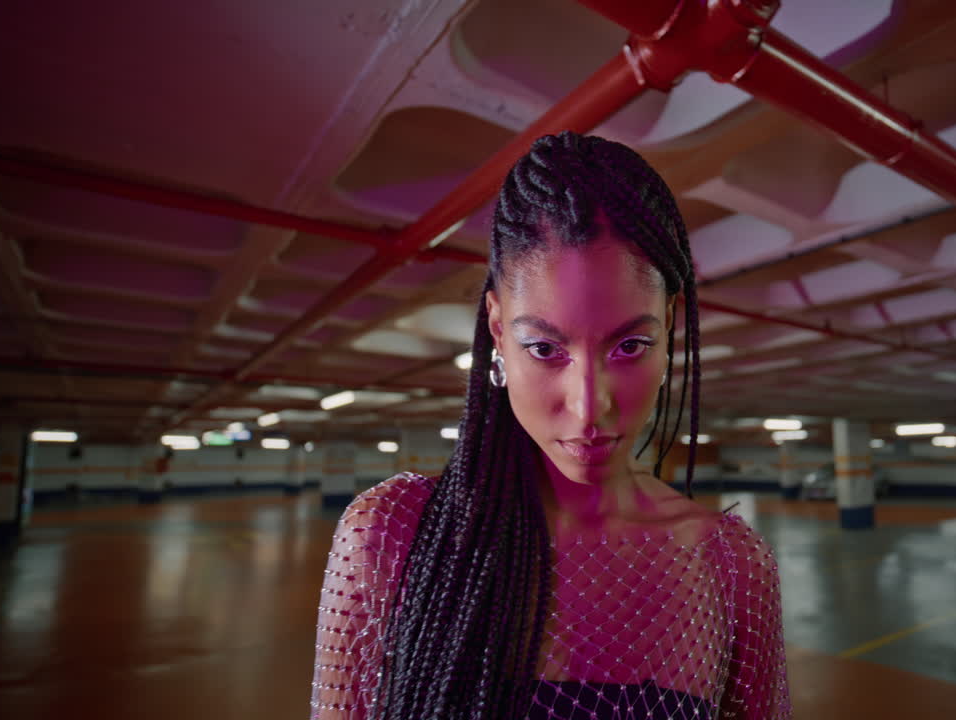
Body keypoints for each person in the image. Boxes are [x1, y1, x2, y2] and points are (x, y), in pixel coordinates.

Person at [310, 131, 790, 720]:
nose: (590, 409)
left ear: (670, 327)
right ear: (496, 327)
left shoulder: (731, 566)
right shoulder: (390, 537)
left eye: (631, 345)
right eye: (543, 348)